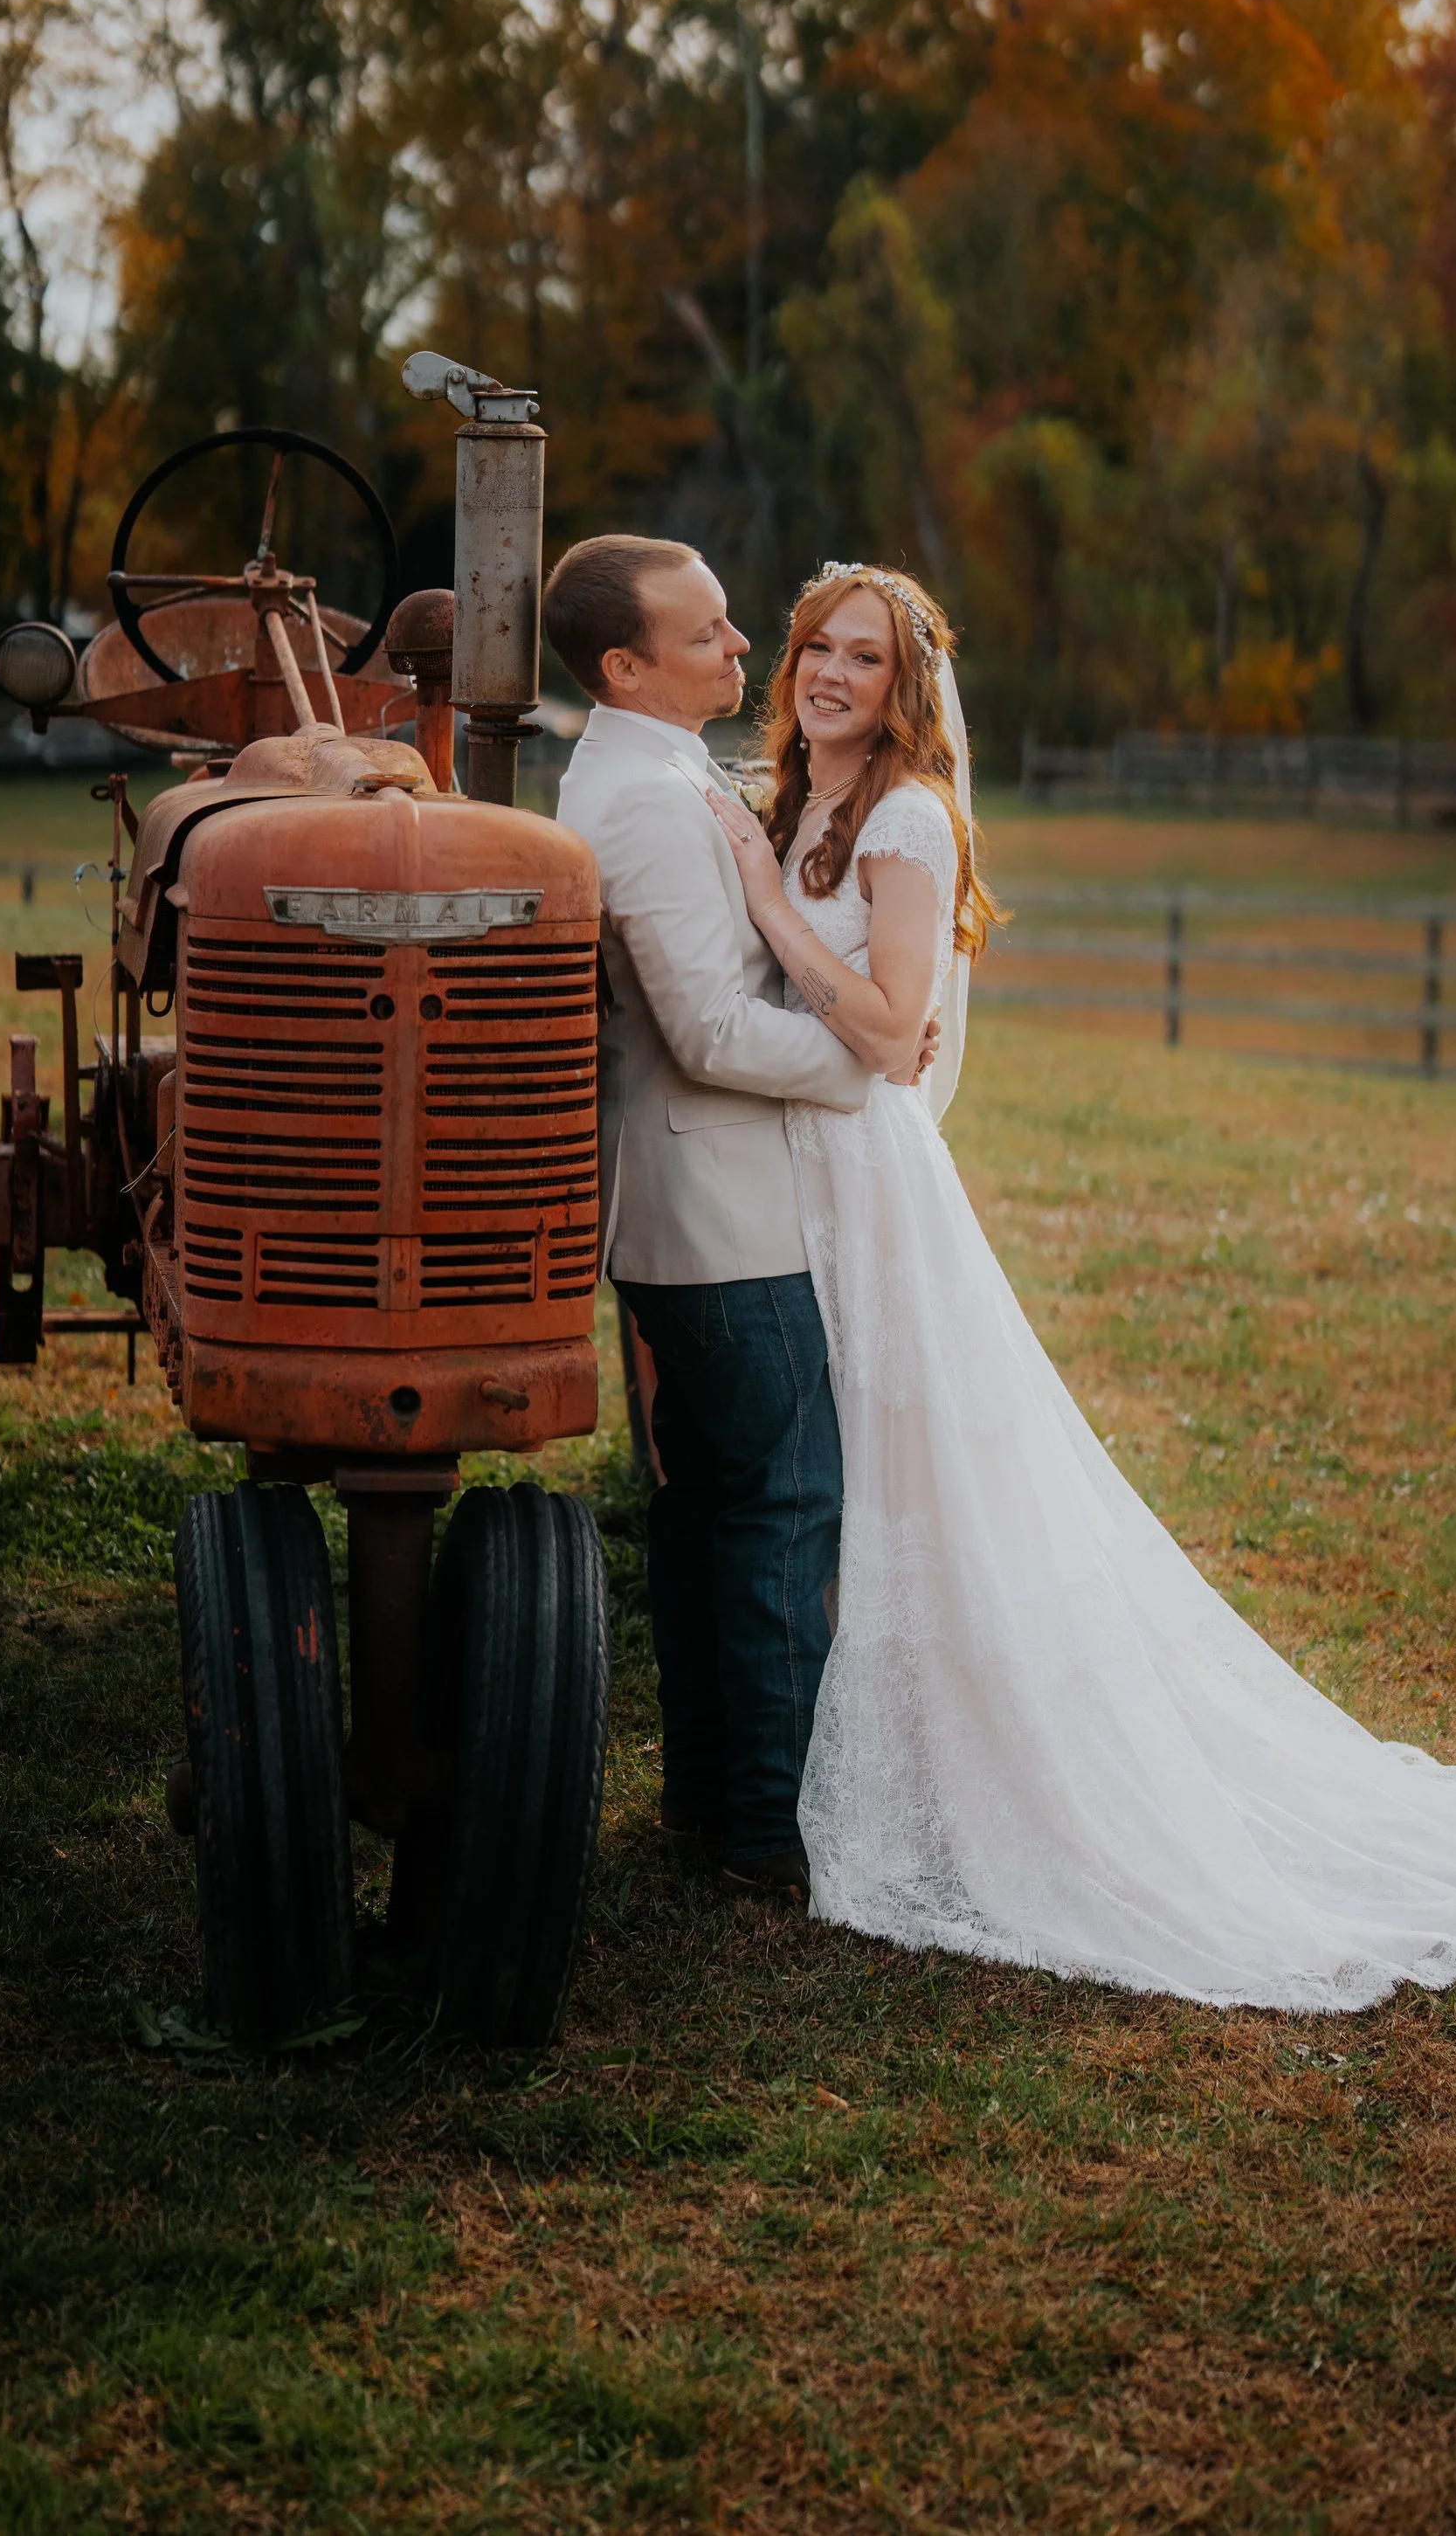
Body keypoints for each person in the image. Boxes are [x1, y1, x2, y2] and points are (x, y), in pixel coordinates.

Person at [702, 560, 1456, 2010]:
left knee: (911, 1479)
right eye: (815, 648)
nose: (830, 673)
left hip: (870, 1189)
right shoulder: (798, 800)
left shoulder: (900, 818)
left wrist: (767, 907)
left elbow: (896, 1039)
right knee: (831, 1471)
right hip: (790, 1182)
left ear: (906, 692)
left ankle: (965, 1774)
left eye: (865, 660)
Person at [549, 536, 927, 1902]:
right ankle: (769, 1829)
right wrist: (878, 1056)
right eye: (707, 635)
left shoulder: (649, 771)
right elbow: (706, 1029)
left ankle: (715, 1799)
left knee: (714, 1514)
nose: (742, 654)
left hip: (691, 1213)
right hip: (723, 1217)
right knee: (778, 1508)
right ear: (626, 667)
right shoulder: (645, 800)